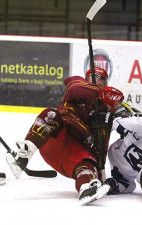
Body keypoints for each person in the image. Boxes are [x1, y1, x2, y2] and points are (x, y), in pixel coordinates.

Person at [6, 67, 124, 205]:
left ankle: (86, 188)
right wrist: (101, 92)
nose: (96, 80)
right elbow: (74, 87)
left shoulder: (108, 106)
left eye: (100, 78)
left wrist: (117, 104)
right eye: (92, 77)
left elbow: (129, 118)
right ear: (86, 79)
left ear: (106, 82)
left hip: (78, 153)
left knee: (87, 168)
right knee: (50, 115)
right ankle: (23, 156)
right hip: (57, 141)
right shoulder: (77, 86)